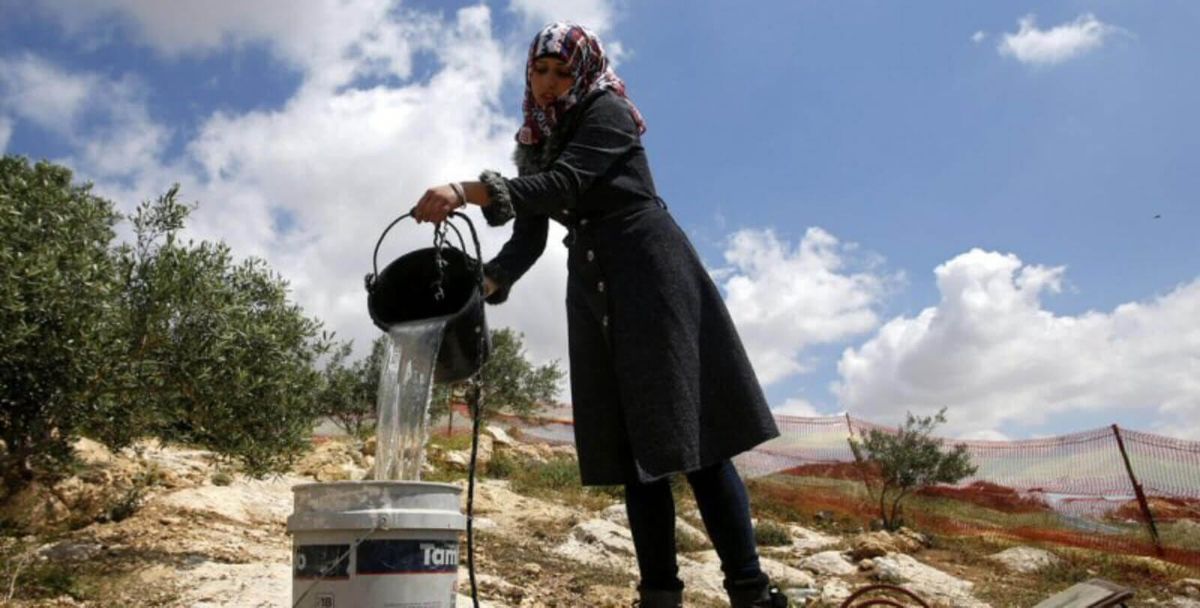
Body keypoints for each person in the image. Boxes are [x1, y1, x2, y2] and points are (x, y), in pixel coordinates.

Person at [413, 22, 788, 608]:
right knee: (637, 453)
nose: (550, 84)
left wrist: (467, 191)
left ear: (583, 72)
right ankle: (658, 596)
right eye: (541, 71)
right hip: (592, 286)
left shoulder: (606, 111)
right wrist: (484, 285)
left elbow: (563, 184)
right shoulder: (536, 140)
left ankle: (751, 591)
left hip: (648, 270)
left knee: (699, 441)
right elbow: (529, 237)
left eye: (562, 73)